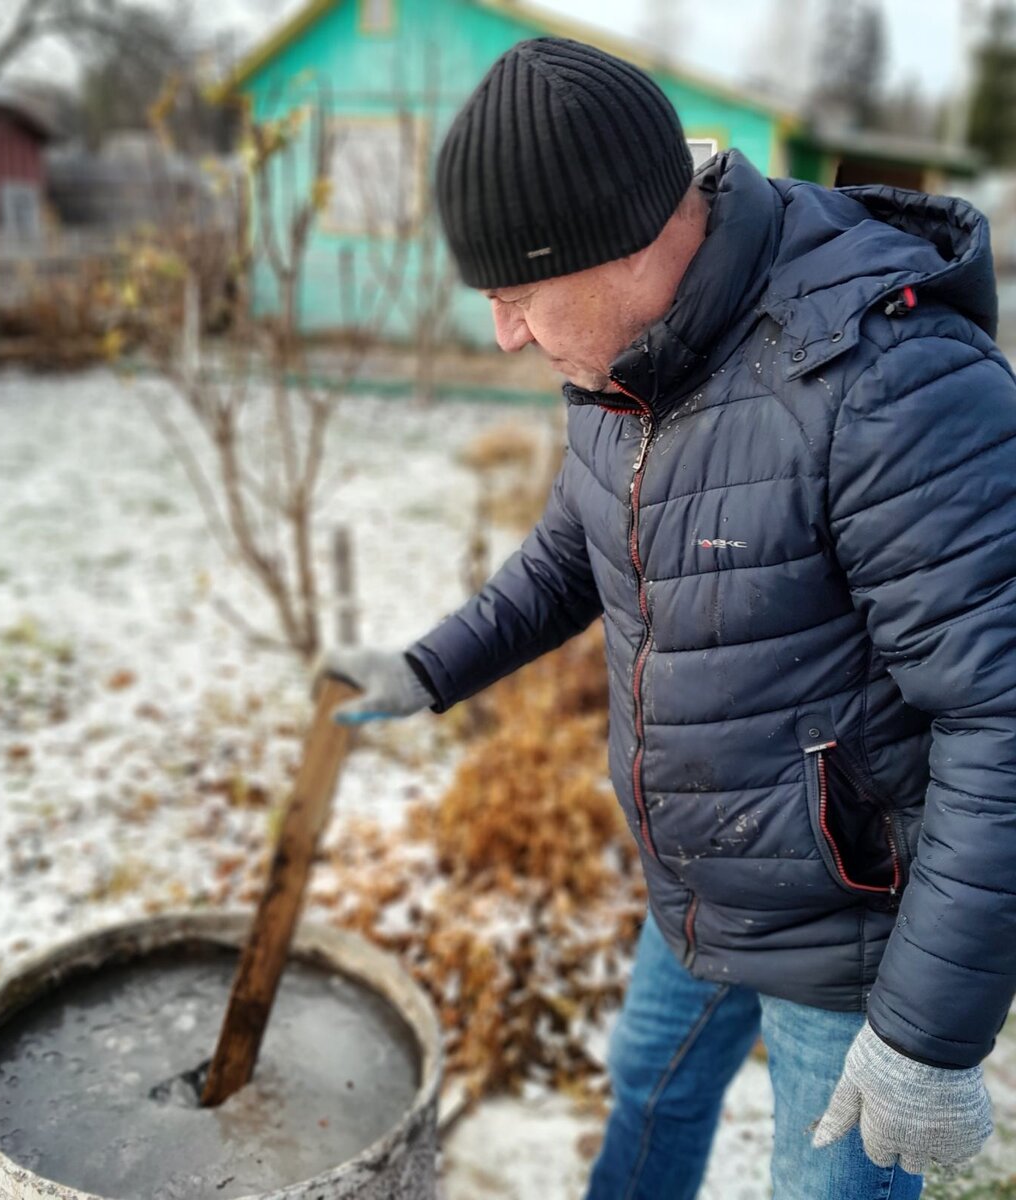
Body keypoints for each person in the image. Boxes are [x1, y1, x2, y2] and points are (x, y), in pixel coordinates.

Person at [319, 36, 1014, 1200]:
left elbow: (1002, 718)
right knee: (646, 1101)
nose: (506, 334)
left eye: (517, 296)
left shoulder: (888, 383)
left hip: (849, 938)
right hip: (697, 878)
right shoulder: (618, 366)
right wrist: (425, 668)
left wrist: (927, 1036)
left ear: (627, 242)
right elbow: (566, 555)